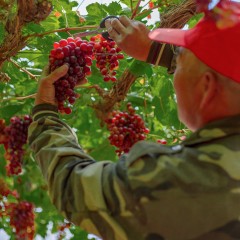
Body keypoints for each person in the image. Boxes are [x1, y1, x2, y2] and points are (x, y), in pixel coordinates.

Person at [28, 2, 240, 239]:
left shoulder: (185, 179)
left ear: (207, 87)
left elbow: (72, 188)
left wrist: (45, 112)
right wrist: (159, 52)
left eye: (179, 63)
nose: (174, 69)